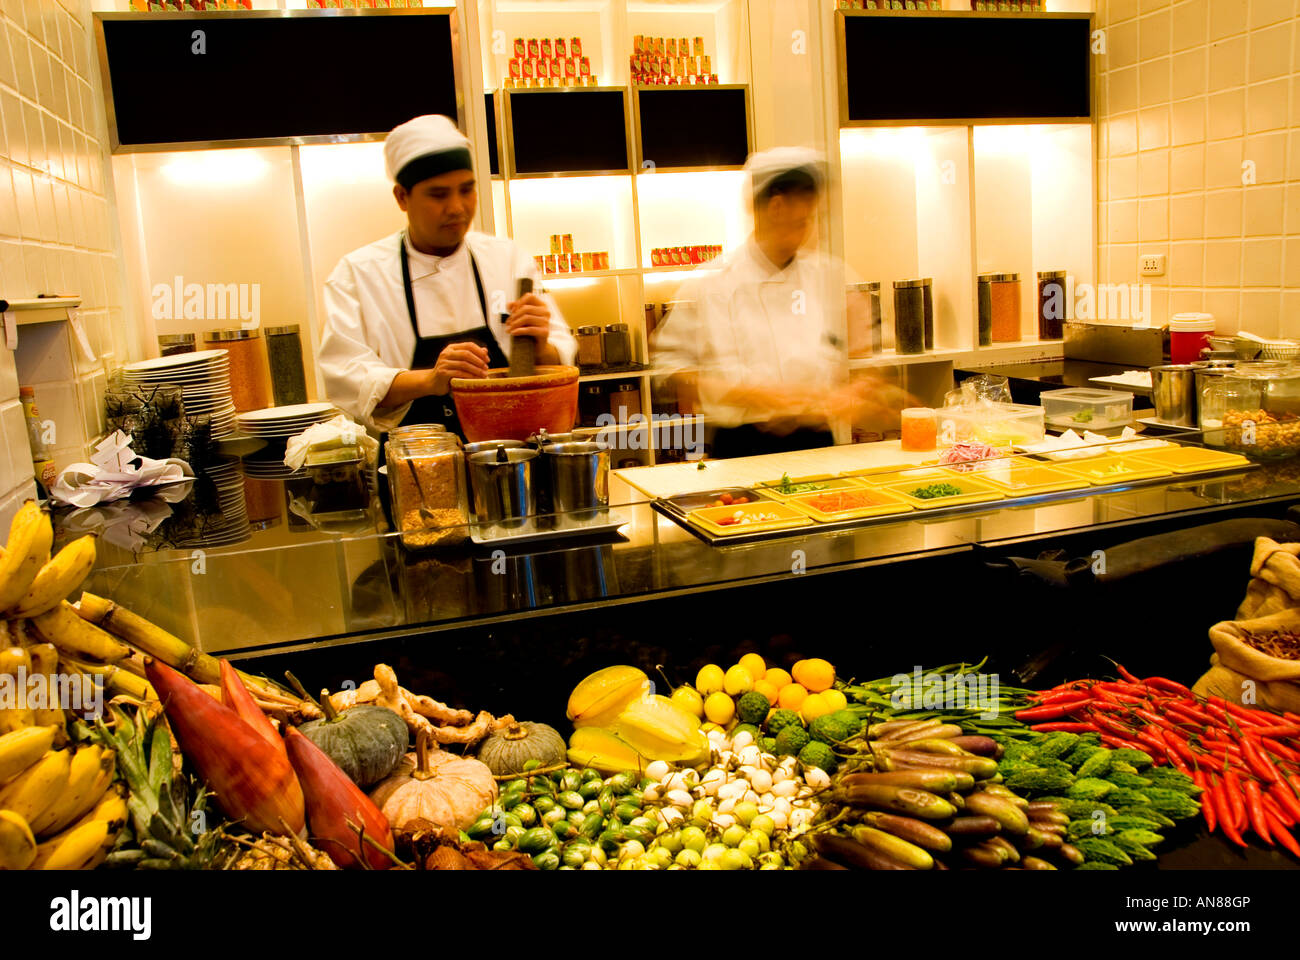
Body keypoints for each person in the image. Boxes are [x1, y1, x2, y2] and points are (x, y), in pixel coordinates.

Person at [318, 115, 577, 437]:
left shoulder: (507, 259)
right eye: (439, 195)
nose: (457, 207)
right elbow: (346, 380)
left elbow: (561, 358)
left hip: (512, 455)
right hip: (415, 460)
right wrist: (431, 380)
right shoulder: (358, 276)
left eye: (467, 190)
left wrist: (541, 347)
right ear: (402, 197)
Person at [651, 147, 909, 459]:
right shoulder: (712, 282)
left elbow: (870, 350)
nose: (811, 227)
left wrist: (859, 390)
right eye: (805, 217)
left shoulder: (830, 276)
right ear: (775, 207)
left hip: (817, 442)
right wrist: (748, 394)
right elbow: (671, 366)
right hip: (739, 448)